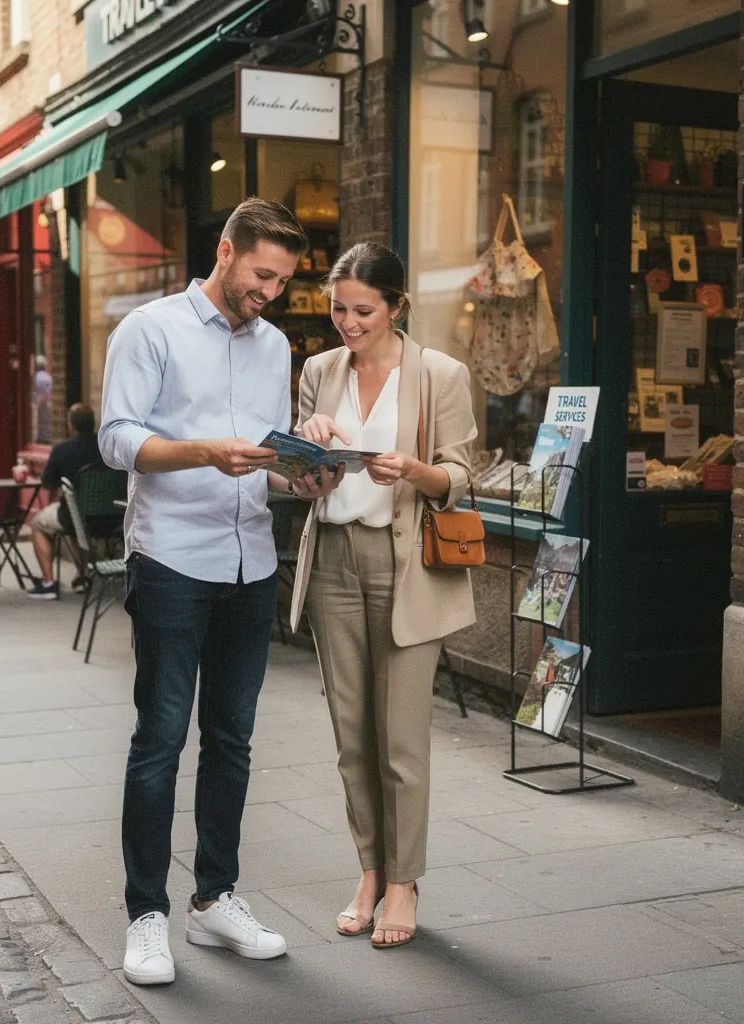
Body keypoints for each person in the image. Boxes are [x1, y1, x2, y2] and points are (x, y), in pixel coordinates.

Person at [100, 198, 324, 986]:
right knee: (159, 742)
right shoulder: (150, 329)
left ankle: (214, 900)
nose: (271, 291)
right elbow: (116, 438)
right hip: (171, 562)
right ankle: (146, 916)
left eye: (283, 280)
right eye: (262, 274)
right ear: (225, 252)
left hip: (250, 561)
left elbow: (265, 452)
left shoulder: (274, 346)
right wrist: (201, 451)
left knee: (231, 741)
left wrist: (305, 464)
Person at [289, 242, 479, 950]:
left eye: (362, 310)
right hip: (334, 561)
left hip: (407, 569)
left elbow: (462, 476)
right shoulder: (318, 370)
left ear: (396, 306)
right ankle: (369, 871)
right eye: (337, 308)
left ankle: (404, 881)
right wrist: (310, 463)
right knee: (351, 738)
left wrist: (415, 470)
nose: (347, 322)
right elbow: (302, 481)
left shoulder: (439, 374)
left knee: (401, 740)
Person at [28, 402, 108, 600]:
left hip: (74, 518)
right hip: (110, 518)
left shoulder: (62, 450)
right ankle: (82, 576)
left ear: (71, 425)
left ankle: (49, 582)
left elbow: (47, 482)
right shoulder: (107, 447)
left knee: (37, 523)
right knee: (78, 520)